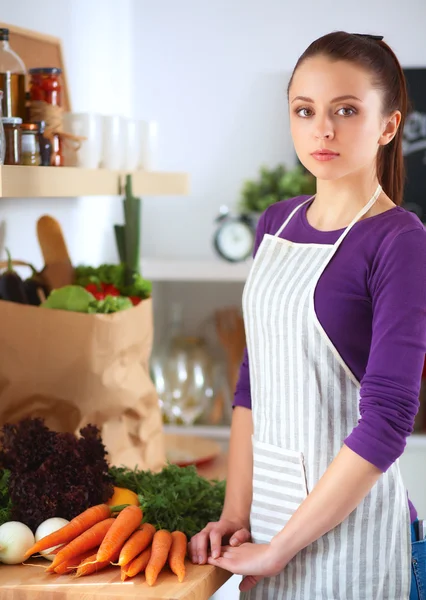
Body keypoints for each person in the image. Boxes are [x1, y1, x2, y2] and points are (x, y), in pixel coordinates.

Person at [189, 31, 426, 599]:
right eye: (305, 110)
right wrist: (235, 515)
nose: (323, 129)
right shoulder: (274, 223)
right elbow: (253, 383)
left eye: (346, 110)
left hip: (360, 544)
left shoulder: (400, 240)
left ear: (389, 126)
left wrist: (280, 548)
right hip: (268, 531)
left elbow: (388, 421)